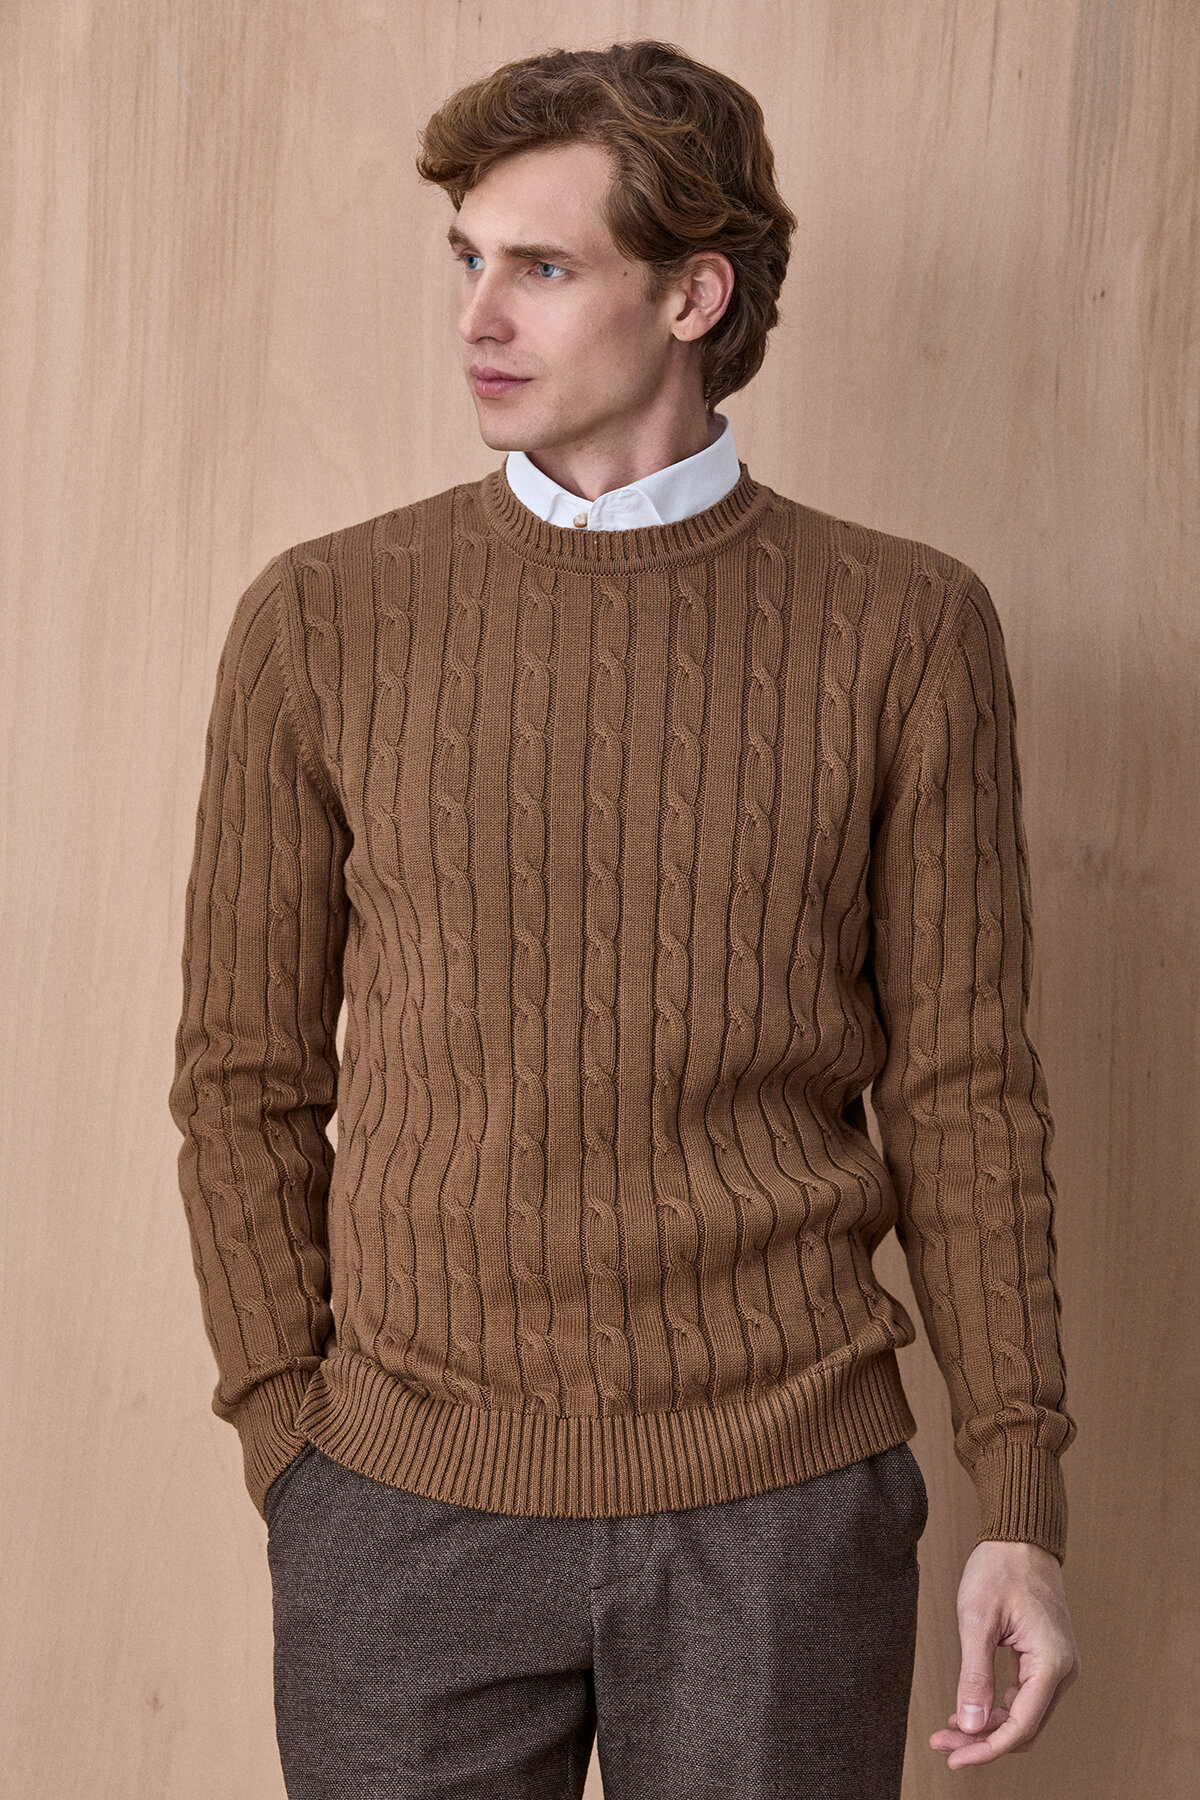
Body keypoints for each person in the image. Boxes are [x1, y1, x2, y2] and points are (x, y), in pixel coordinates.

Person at [168, 37, 1080, 1800]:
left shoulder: (904, 630)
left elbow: (965, 1090)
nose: (477, 316)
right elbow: (244, 1080)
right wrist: (293, 1441)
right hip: (399, 1508)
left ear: (692, 296)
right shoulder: (323, 620)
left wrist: (1021, 1497)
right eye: (467, 259)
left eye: (541, 265)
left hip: (780, 1508)